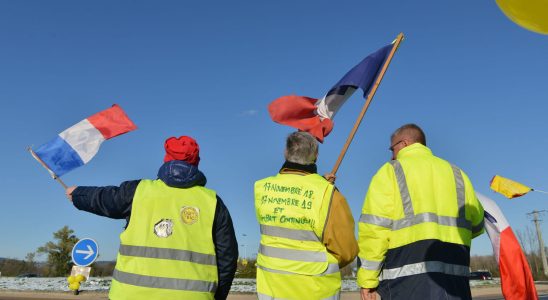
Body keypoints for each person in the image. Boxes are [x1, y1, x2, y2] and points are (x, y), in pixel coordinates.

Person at [66, 136, 238, 300]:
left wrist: (78, 194)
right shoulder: (213, 202)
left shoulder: (138, 191)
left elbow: (104, 198)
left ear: (166, 160)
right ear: (196, 162)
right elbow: (227, 258)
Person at [357, 124, 484, 300]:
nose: (391, 154)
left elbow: (374, 231)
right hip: (456, 284)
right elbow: (477, 225)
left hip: (407, 284)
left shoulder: (391, 171)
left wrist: (367, 281)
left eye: (391, 148)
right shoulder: (458, 173)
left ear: (403, 143)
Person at [254, 131, 358, 300]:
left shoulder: (262, 188)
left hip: (271, 289)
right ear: (315, 156)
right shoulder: (328, 194)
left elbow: (291, 201)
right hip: (316, 291)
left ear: (286, 153)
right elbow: (346, 251)